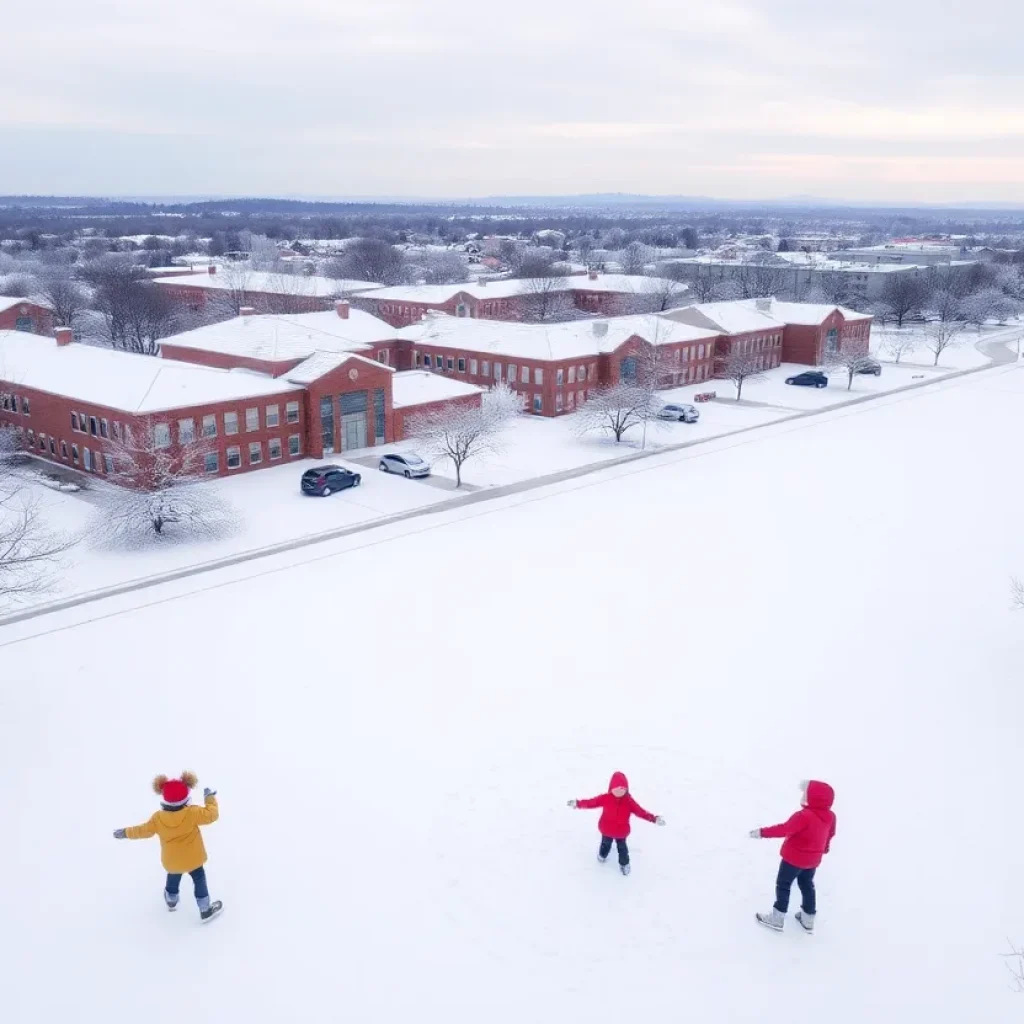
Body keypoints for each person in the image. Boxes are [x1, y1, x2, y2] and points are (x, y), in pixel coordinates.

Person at [113, 771, 223, 922]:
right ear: (186, 798)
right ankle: (205, 909)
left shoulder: (158, 818)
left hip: (172, 862)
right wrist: (209, 798)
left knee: (173, 875)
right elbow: (212, 815)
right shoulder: (192, 812)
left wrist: (125, 832)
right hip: (194, 859)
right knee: (199, 877)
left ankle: (171, 899)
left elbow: (142, 830)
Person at [750, 779, 836, 933]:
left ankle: (778, 917)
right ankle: (808, 918)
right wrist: (824, 850)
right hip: (813, 860)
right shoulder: (831, 816)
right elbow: (830, 834)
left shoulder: (803, 816)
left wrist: (762, 832)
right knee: (807, 884)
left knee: (784, 884)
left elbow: (785, 829)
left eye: (805, 793)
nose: (803, 796)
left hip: (793, 859)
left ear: (812, 796)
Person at [568, 771, 665, 875]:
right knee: (605, 844)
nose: (620, 791)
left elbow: (640, 812)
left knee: (622, 849)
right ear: (611, 788)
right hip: (607, 830)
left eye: (623, 788)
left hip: (621, 832)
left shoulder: (629, 801)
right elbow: (591, 802)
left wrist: (654, 819)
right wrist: (578, 804)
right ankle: (602, 855)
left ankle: (624, 864)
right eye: (617, 788)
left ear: (626, 789)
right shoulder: (605, 798)